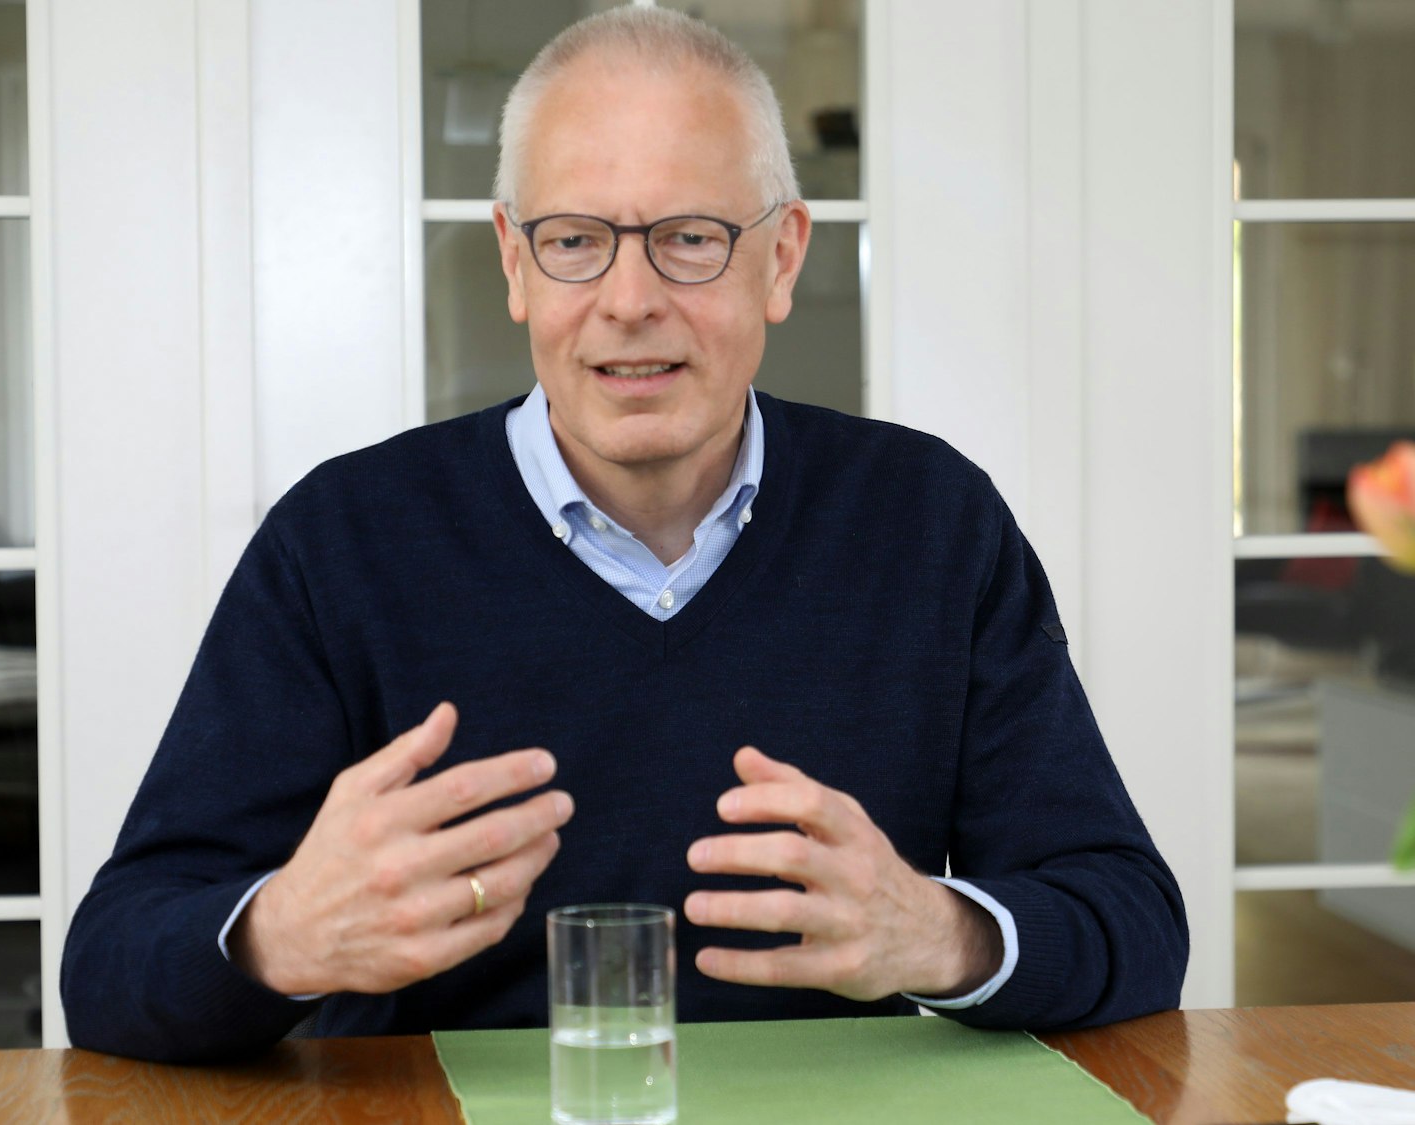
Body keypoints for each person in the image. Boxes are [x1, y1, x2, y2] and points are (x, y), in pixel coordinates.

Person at [61, 7, 1186, 1064]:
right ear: (513, 261)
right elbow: (110, 965)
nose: (629, 298)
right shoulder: (340, 541)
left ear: (781, 259)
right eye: (574, 240)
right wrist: (276, 938)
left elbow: (1132, 922)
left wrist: (939, 934)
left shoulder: (934, 522)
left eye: (690, 238)